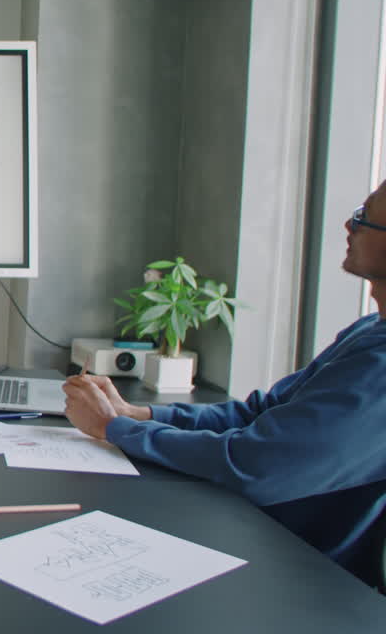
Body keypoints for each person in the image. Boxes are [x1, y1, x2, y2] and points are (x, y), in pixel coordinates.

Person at [63, 181, 386, 586]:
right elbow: (257, 413)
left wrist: (112, 428)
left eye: (365, 217)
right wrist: (139, 413)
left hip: (293, 572)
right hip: (253, 532)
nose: (348, 225)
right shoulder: (370, 329)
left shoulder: (380, 369)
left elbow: (257, 463)